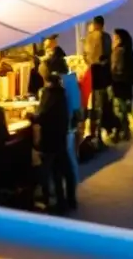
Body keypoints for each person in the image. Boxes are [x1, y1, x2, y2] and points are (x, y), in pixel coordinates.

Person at [31, 73, 75, 212]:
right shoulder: (62, 95)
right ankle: (70, 200)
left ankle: (52, 200)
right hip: (60, 138)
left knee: (48, 171)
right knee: (65, 171)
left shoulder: (48, 95)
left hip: (50, 140)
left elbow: (43, 116)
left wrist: (31, 116)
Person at [84, 15, 113, 146]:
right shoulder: (106, 37)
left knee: (93, 106)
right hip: (103, 77)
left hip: (92, 75)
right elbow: (107, 56)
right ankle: (99, 136)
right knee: (101, 105)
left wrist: (90, 63)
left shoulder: (88, 37)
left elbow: (85, 56)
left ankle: (92, 132)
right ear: (102, 24)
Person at [110, 28, 133, 142]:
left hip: (119, 86)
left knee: (119, 110)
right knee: (124, 110)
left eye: (115, 37)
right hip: (127, 87)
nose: (113, 39)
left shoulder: (119, 52)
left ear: (119, 39)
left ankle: (120, 132)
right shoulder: (128, 50)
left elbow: (117, 70)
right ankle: (124, 131)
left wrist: (111, 78)